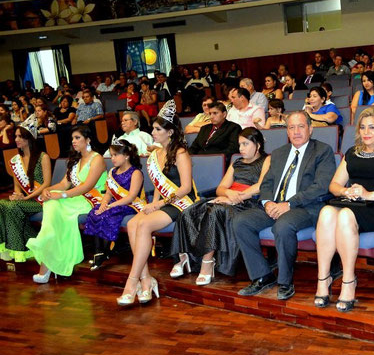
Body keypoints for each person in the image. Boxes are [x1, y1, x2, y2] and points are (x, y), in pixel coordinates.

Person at [233, 111, 336, 300]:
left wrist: (289, 204)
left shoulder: (322, 151)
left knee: (283, 225)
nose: (296, 131)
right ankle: (262, 276)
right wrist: (267, 203)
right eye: (291, 127)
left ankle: (285, 282)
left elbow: (320, 187)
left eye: (301, 126)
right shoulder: (279, 154)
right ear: (287, 131)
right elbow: (266, 184)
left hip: (306, 207)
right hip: (275, 205)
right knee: (241, 221)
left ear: (311, 129)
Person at [315, 108, 374, 311]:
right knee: (326, 212)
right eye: (363, 127)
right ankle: (323, 279)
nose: (366, 131)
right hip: (356, 204)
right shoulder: (352, 152)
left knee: (346, 215)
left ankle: (349, 281)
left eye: (372, 127)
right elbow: (334, 185)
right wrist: (345, 191)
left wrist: (370, 195)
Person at [118, 100, 199, 306]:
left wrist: (159, 204)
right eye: (153, 128)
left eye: (157, 129)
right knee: (132, 223)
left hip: (182, 202)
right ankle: (146, 280)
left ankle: (132, 282)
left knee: (143, 224)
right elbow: (157, 185)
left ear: (170, 132)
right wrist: (152, 204)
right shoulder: (154, 155)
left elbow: (185, 188)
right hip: (163, 201)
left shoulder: (180, 152)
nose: (152, 132)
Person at [171, 127, 271, 285]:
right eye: (239, 145)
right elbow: (221, 188)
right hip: (229, 198)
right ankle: (185, 258)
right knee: (190, 210)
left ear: (257, 145)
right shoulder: (236, 162)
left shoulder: (266, 160)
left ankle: (207, 262)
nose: (241, 149)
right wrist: (228, 194)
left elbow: (261, 186)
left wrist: (235, 198)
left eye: (245, 144)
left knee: (214, 211)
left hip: (248, 202)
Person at [26, 126, 107, 282]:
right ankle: (48, 261)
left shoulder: (97, 159)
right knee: (51, 205)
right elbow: (64, 183)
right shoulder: (75, 159)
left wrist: (61, 195)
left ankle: (46, 258)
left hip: (92, 200)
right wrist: (48, 190)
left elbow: (86, 186)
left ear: (88, 139)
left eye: (77, 138)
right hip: (75, 198)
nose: (73, 141)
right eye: (72, 138)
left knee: (56, 208)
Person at [84, 139, 146, 271]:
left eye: (115, 155)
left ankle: (105, 252)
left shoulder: (136, 173)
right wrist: (103, 204)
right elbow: (108, 193)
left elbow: (131, 197)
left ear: (126, 155)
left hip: (131, 205)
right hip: (115, 203)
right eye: (111, 155)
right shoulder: (112, 172)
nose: (112, 158)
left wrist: (110, 206)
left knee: (108, 215)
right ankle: (99, 252)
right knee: (95, 212)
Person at [0, 122, 51, 262]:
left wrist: (27, 196)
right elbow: (17, 184)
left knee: (12, 207)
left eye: (19, 136)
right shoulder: (16, 160)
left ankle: (19, 248)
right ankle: (9, 245)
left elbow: (47, 183)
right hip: (26, 199)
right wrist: (17, 194)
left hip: (41, 200)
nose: (16, 139)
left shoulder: (43, 157)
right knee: (2, 204)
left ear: (28, 139)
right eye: (15, 136)